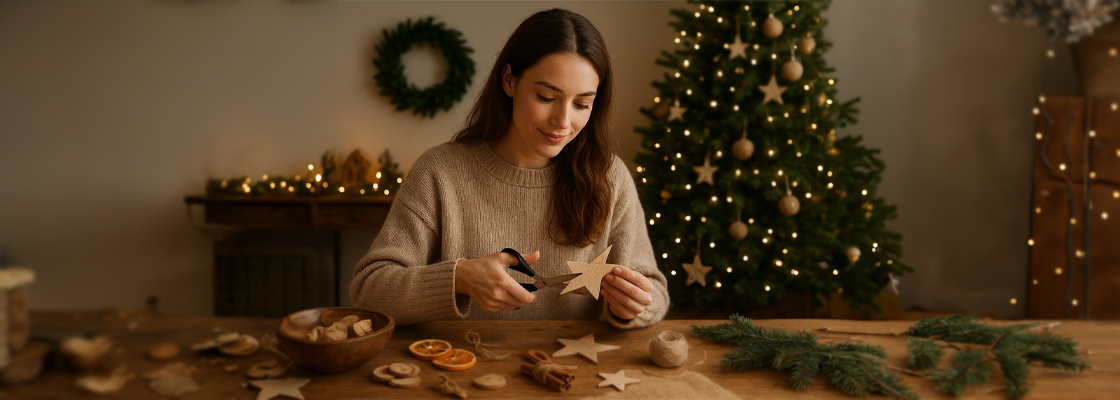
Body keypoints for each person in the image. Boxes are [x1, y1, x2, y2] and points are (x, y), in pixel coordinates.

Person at [350, 8, 668, 329]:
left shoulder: (609, 176)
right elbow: (368, 290)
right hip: (459, 367)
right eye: (546, 97)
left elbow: (654, 292)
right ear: (509, 81)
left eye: (582, 104)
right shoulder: (439, 173)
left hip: (574, 374)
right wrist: (459, 278)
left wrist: (633, 306)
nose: (563, 121)